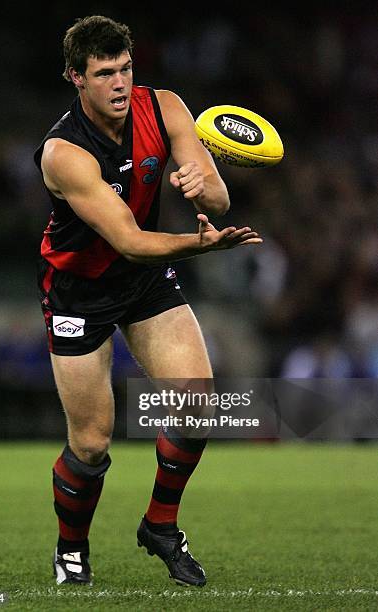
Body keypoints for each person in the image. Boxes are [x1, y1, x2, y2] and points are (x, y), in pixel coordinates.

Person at [34, 15, 262, 588]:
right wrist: (200, 245)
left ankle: (160, 526)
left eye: (126, 68)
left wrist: (200, 187)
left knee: (198, 403)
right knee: (90, 443)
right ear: (75, 78)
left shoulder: (164, 107)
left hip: (144, 281)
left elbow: (219, 195)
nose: (118, 83)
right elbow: (132, 241)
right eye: (104, 72)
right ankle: (71, 550)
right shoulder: (63, 153)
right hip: (80, 291)